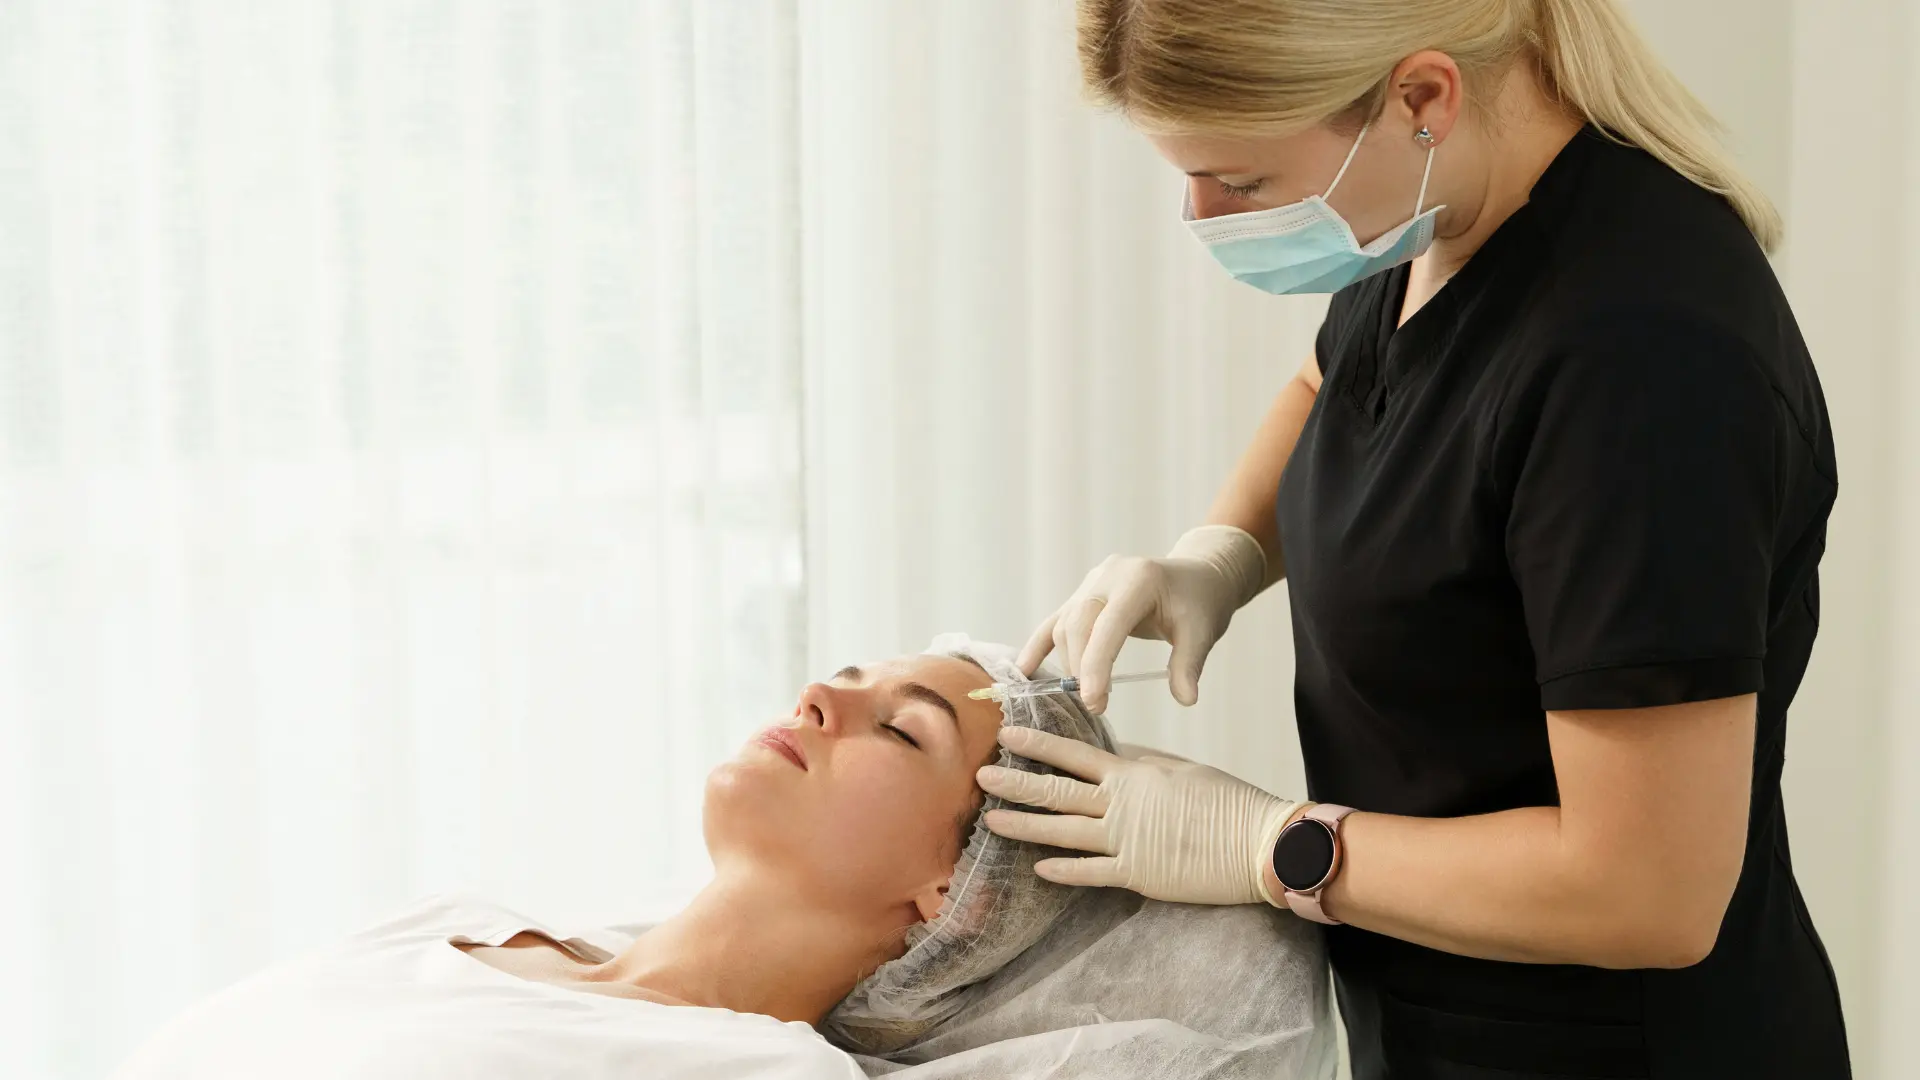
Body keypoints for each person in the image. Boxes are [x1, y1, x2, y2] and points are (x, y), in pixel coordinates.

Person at [977, 0, 1850, 1077]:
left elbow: (1649, 895)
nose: (1201, 216)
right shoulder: (1444, 213)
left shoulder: (1640, 361)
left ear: (1422, 97)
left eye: (1239, 182)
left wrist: (1271, 847)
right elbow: (1335, 379)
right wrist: (1222, 552)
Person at [115, 651, 1013, 1080]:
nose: (818, 695)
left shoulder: (759, 1074)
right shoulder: (449, 924)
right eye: (846, 674)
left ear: (962, 897)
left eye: (903, 728)